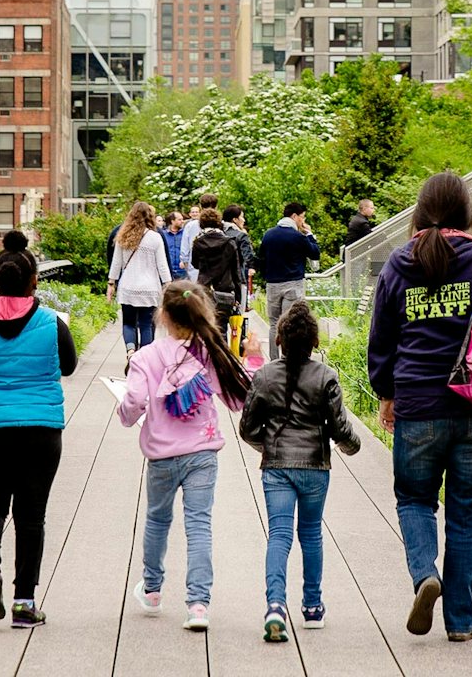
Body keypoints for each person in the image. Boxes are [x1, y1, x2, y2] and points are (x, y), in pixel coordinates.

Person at [367, 171, 472, 643]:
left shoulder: (399, 265)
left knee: (415, 500)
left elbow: (382, 339)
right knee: (465, 513)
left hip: (417, 406)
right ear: (466, 211)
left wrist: (386, 392)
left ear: (419, 211)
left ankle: (425, 577)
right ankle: (460, 621)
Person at [0, 231, 79, 629]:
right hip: (42, 433)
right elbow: (71, 366)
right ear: (34, 281)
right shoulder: (51, 323)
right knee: (31, 517)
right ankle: (24, 602)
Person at [117, 282, 253, 632]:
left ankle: (152, 590)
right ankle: (197, 605)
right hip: (202, 454)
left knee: (157, 520)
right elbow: (239, 401)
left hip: (161, 456)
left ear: (161, 315)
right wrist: (252, 358)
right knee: (199, 525)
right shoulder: (209, 353)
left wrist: (126, 415)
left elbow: (132, 404)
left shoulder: (145, 357)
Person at [239, 302, 361, 642]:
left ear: (280, 339)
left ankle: (276, 605)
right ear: (314, 342)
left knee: (279, 534)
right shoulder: (325, 376)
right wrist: (353, 446)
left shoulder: (264, 376)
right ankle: (312, 607)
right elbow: (340, 429)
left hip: (277, 468)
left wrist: (270, 447)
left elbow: (247, 429)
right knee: (311, 535)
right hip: (315, 468)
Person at [109, 201, 173, 374]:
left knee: (128, 323)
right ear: (150, 217)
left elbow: (116, 264)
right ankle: (145, 360)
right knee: (146, 324)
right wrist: (168, 285)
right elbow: (162, 266)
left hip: (128, 287)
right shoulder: (155, 237)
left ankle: (130, 352)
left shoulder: (123, 236)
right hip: (150, 289)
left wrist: (111, 283)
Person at [259, 201, 320, 362]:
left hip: (272, 284)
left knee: (273, 324)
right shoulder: (298, 237)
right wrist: (310, 235)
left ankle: (273, 359)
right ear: (294, 216)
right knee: (291, 322)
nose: (303, 221)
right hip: (293, 284)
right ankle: (289, 357)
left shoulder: (269, 235)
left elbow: (261, 258)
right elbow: (315, 253)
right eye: (302, 217)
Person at [189, 208, 243, 317]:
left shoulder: (198, 242)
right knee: (222, 325)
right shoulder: (229, 243)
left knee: (206, 325)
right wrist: (238, 296)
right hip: (225, 289)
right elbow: (235, 271)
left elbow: (194, 264)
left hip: (205, 288)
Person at [222, 204, 256, 307]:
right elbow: (248, 256)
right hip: (237, 277)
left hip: (219, 279)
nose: (244, 220)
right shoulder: (241, 235)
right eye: (242, 217)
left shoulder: (217, 233)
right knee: (238, 313)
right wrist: (252, 266)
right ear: (235, 220)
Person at [179, 193, 219, 275]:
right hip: (217, 267)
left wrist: (186, 263)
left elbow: (185, 248)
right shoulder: (222, 225)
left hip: (195, 268)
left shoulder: (190, 225)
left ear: (200, 206)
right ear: (216, 206)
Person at [162, 210, 188, 281]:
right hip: (168, 271)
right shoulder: (163, 235)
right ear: (172, 221)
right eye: (179, 219)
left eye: (182, 219)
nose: (182, 221)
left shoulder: (185, 234)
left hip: (183, 271)